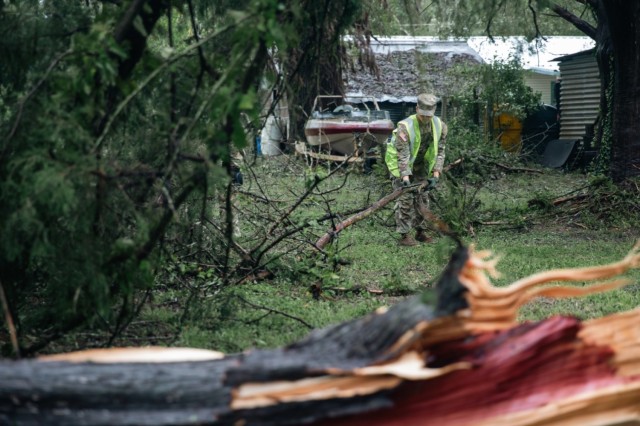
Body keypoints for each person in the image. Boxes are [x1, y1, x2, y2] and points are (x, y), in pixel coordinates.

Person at [384, 93, 448, 246]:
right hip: (400, 164)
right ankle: (404, 236)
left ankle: (420, 232)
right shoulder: (404, 127)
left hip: (420, 164)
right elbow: (403, 155)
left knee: (422, 197)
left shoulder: (440, 126)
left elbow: (440, 151)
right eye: (423, 115)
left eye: (428, 115)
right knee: (405, 199)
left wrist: (436, 174)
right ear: (417, 108)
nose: (425, 118)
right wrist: (405, 178)